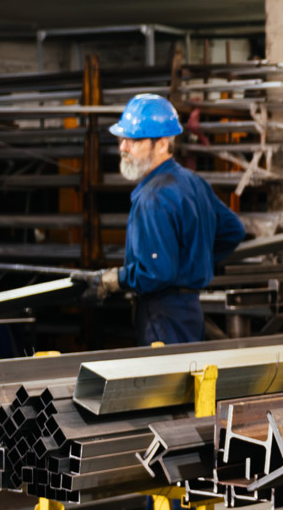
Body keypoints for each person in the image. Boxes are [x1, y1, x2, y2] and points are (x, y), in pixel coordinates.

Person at [83, 93, 247, 346]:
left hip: (163, 316)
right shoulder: (193, 182)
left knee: (166, 383)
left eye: (133, 141)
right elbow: (234, 230)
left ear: (161, 144)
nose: (122, 148)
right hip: (190, 311)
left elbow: (157, 273)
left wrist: (117, 279)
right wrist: (192, 262)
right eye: (122, 139)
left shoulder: (154, 197)